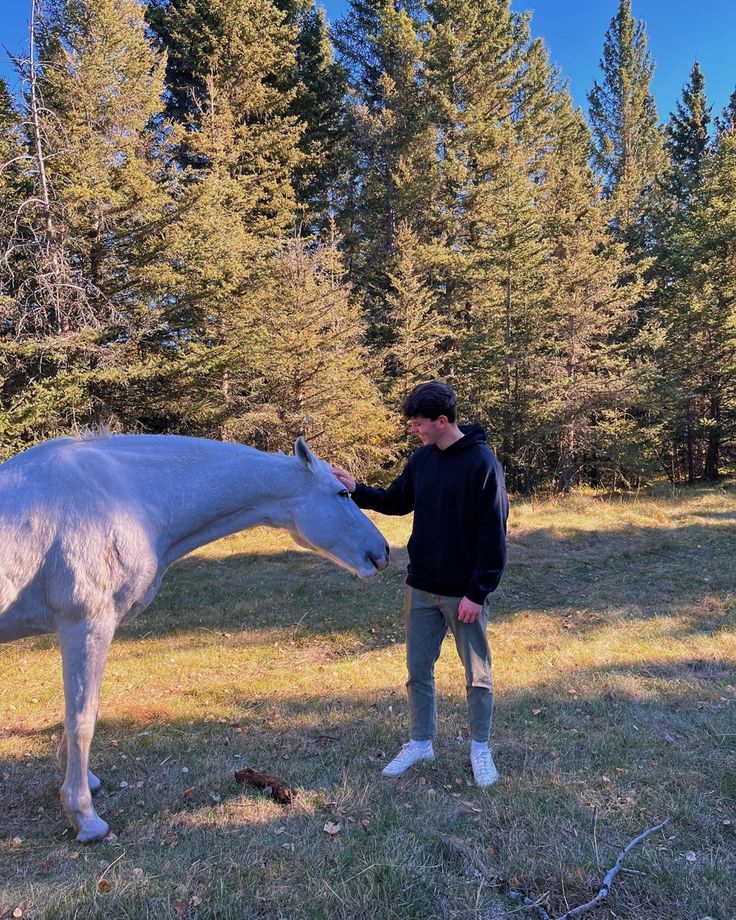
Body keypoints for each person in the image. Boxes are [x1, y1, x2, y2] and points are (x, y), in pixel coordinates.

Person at [332, 381, 509, 787]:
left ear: (442, 421)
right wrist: (357, 489)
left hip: (463, 593)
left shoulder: (483, 464)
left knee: (476, 674)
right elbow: (397, 500)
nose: (414, 430)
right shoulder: (423, 460)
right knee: (417, 672)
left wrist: (477, 592)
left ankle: (480, 747)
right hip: (420, 587)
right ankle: (420, 742)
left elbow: (493, 533)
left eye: (418, 424)